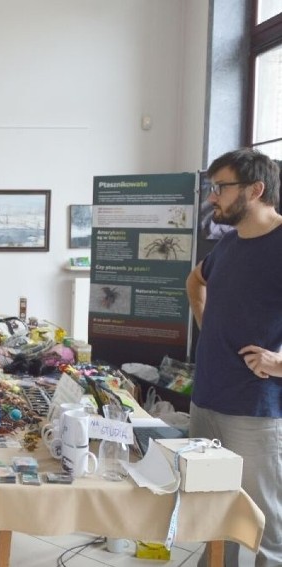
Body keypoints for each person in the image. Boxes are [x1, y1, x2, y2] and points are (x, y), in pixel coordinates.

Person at [186, 148, 282, 567]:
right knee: (208, 508)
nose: (212, 197)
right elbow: (195, 280)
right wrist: (210, 328)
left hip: (255, 408)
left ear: (256, 190)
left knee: (265, 524)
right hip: (206, 396)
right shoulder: (228, 245)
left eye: (220, 188)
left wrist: (279, 364)